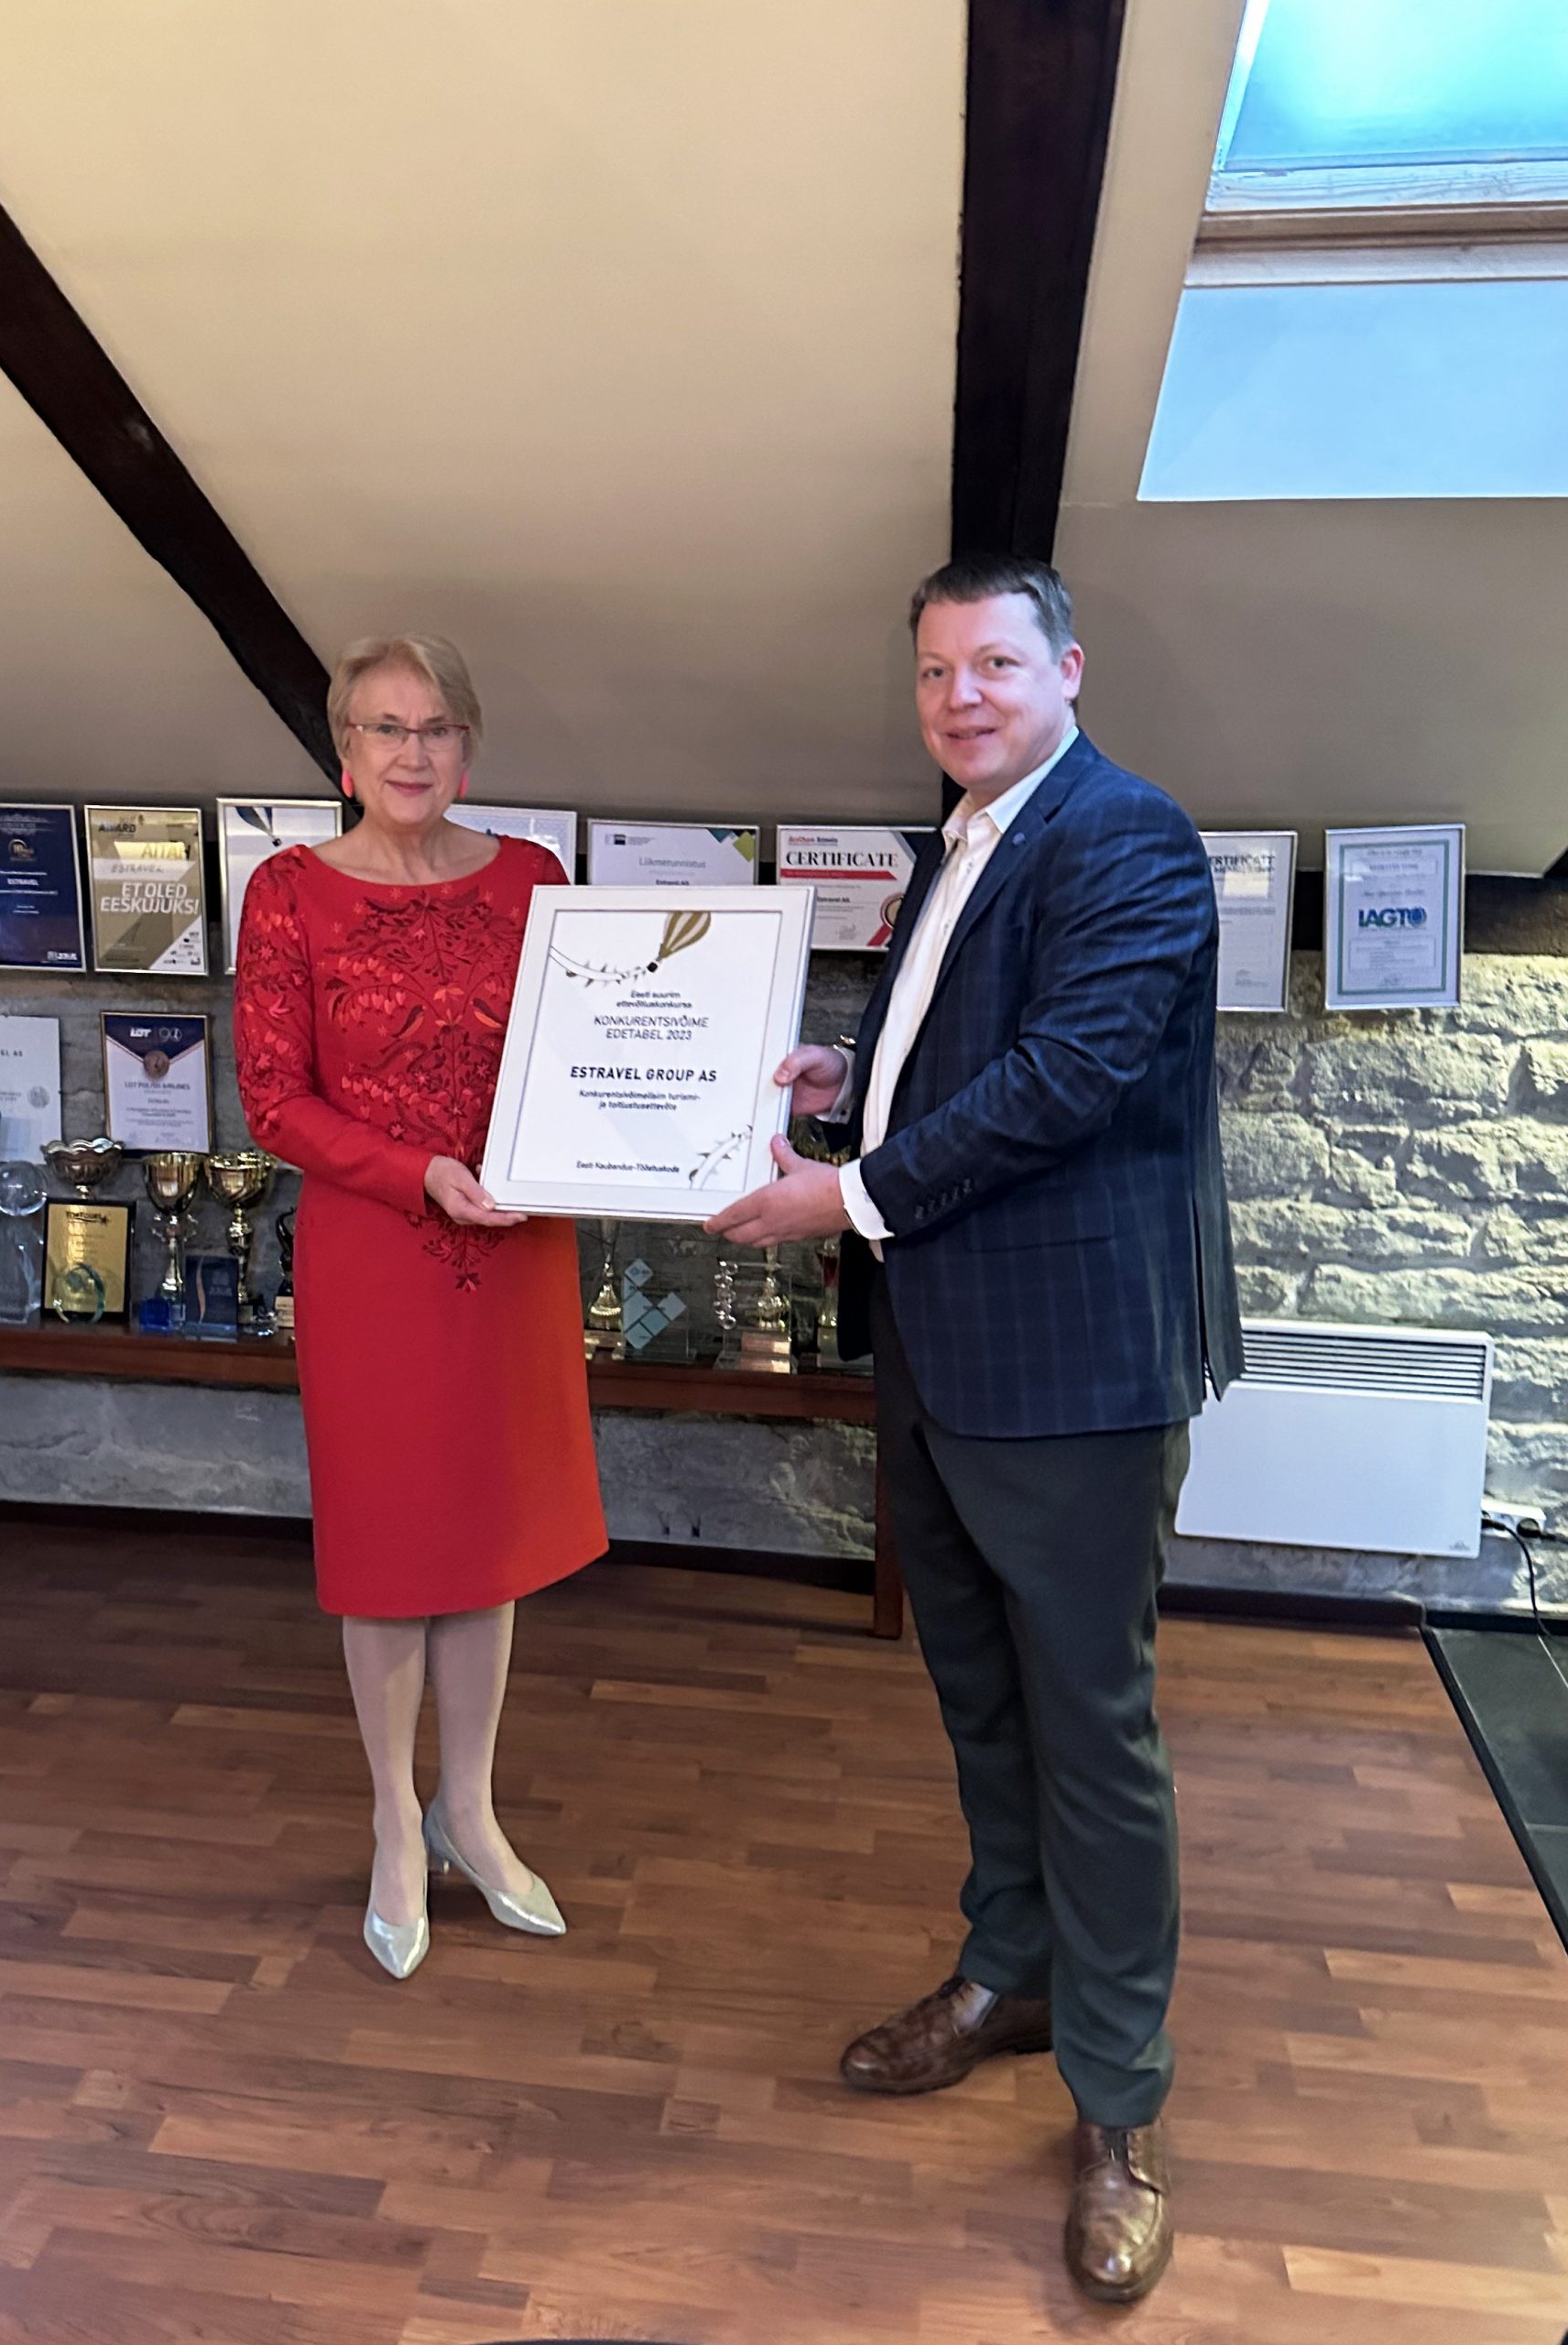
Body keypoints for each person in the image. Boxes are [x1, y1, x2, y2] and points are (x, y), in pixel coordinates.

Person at [705, 555, 1242, 2304]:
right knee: (981, 1696)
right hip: (942, 1353)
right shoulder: (957, 841)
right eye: (936, 672)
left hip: (1073, 1365)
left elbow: (1067, 1077)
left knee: (1093, 1729)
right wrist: (842, 1089)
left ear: (1066, 669)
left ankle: (1120, 2105)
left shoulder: (1125, 834)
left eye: (994, 664)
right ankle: (1010, 1973)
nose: (960, 698)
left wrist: (845, 1194)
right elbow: (961, 1054)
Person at [234, 633, 606, 1982]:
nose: (412, 751)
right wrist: (419, 1174)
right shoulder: (287, 893)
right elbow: (273, 1102)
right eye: (386, 728)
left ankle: (471, 1809)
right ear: (345, 750)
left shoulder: (532, 879)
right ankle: (397, 1819)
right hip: (377, 1250)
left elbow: (588, 1048)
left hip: (515, 1244)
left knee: (487, 1537)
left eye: (437, 727)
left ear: (469, 747)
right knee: (392, 1543)